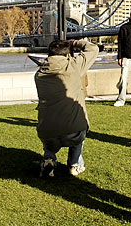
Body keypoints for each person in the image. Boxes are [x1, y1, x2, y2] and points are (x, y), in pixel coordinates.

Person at [35, 38, 99, 177]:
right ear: (68, 55)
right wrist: (76, 43)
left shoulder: (39, 74)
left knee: (49, 130)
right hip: (74, 131)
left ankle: (49, 158)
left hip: (47, 132)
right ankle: (74, 164)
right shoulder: (74, 66)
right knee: (79, 128)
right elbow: (93, 49)